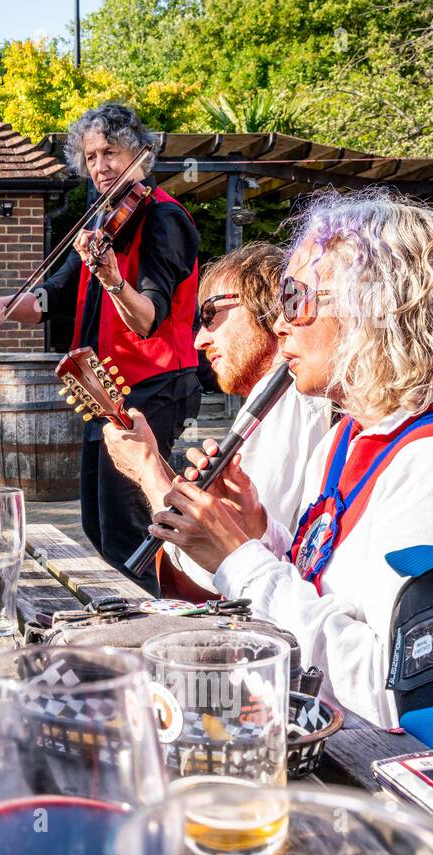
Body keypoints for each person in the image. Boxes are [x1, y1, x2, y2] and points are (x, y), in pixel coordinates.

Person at [147, 190, 433, 726]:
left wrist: (240, 559)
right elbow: (329, 596)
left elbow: (398, 688)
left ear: (378, 307)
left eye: (296, 299)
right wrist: (259, 534)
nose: (280, 323)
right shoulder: (350, 440)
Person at [0, 103, 201, 594]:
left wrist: (113, 279)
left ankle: (148, 630)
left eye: (111, 153)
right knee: (98, 525)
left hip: (154, 386)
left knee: (130, 531)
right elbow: (48, 299)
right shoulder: (101, 228)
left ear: (140, 156)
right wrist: (4, 305)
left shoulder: (165, 220)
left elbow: (147, 317)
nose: (99, 166)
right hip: (108, 393)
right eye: (91, 156)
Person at [103, 242, 332, 594]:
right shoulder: (275, 396)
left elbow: (226, 567)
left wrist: (147, 469)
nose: (199, 339)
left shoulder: (291, 396)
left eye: (211, 315)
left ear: (270, 310)